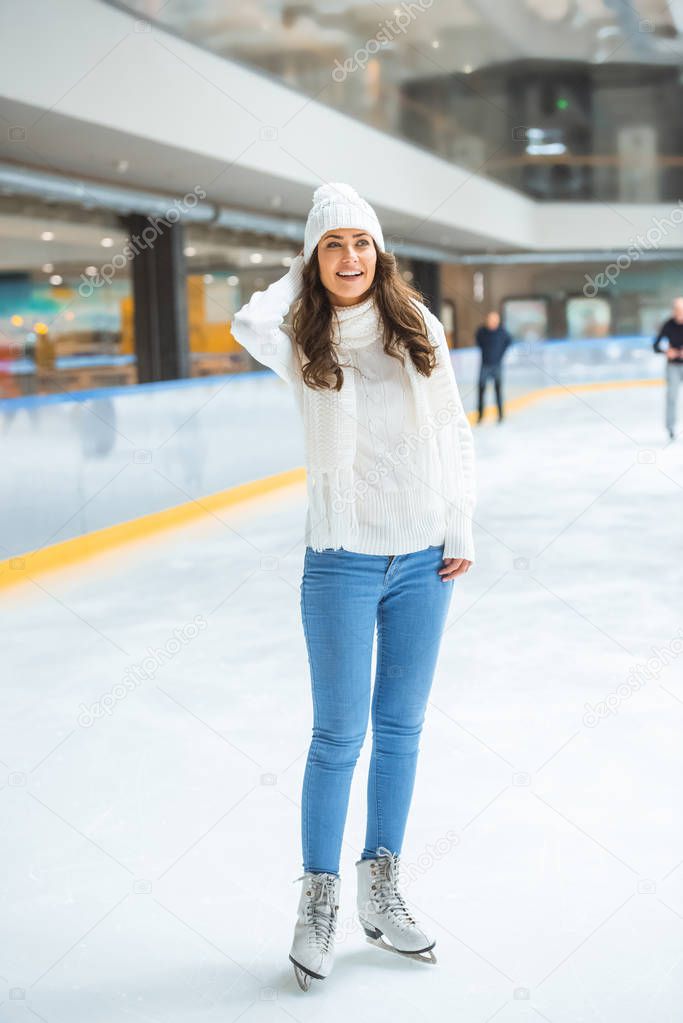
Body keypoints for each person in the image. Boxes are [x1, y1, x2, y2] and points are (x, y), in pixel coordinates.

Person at [230, 182, 476, 990]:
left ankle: (381, 888)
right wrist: (303, 259)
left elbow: (453, 432)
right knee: (338, 736)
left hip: (421, 559)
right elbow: (247, 320)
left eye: (360, 242)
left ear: (381, 253)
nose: (348, 258)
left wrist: (458, 525)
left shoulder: (418, 327)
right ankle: (318, 900)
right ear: (313, 258)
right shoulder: (301, 336)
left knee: (399, 729)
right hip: (338, 556)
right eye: (331, 245)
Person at [652, 297, 683, 439]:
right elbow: (656, 345)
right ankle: (670, 428)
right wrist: (667, 352)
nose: (679, 312)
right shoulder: (668, 325)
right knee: (671, 396)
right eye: (677, 309)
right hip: (673, 367)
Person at [475, 311, 512, 423]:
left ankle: (500, 415)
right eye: (490, 320)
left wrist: (500, 355)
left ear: (498, 321)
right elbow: (479, 341)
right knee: (481, 390)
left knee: (498, 390)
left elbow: (508, 342)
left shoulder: (503, 332)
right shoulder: (481, 331)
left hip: (497, 366)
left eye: (495, 320)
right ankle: (480, 416)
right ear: (487, 320)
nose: (492, 322)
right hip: (485, 365)